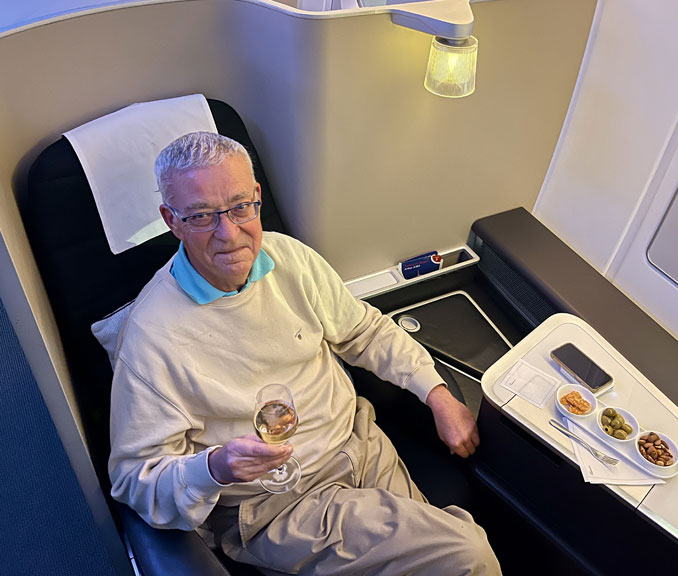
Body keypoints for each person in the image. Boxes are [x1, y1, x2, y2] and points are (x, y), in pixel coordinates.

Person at [108, 131, 501, 575]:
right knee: (466, 555)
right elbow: (134, 480)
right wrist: (216, 467)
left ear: (257, 198)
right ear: (171, 220)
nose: (229, 233)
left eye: (240, 207)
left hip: (360, 444)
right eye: (201, 216)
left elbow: (365, 331)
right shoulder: (151, 337)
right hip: (277, 504)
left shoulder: (290, 258)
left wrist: (438, 394)